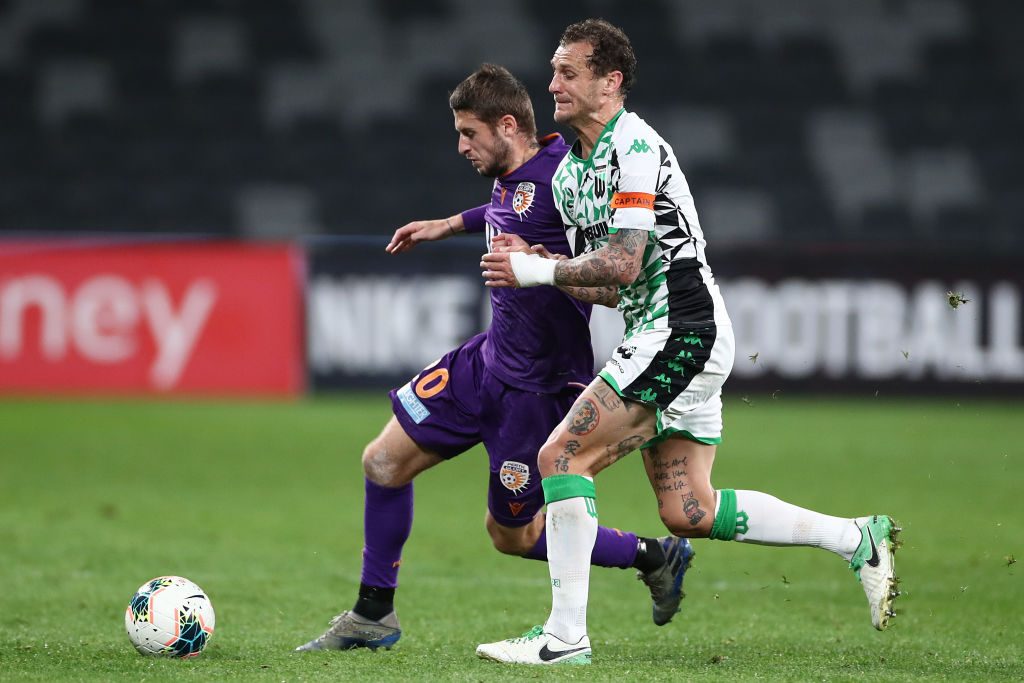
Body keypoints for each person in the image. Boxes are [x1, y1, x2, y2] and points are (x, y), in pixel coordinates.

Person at [476, 20, 901, 665]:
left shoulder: (636, 148)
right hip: (660, 333)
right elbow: (611, 288)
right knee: (688, 511)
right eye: (554, 70)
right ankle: (856, 539)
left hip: (683, 331)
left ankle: (565, 638)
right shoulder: (570, 176)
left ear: (609, 82)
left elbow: (621, 263)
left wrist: (537, 269)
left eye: (569, 72)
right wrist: (541, 260)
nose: (553, 83)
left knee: (561, 457)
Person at [295, 64, 695, 653]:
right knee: (382, 462)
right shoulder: (513, 173)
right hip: (484, 363)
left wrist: (536, 262)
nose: (461, 147)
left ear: (507, 125)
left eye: (468, 134)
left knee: (512, 536)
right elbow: (506, 211)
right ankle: (372, 615)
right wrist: (448, 224)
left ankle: (654, 555)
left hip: (540, 389)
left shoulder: (570, 178)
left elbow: (614, 280)